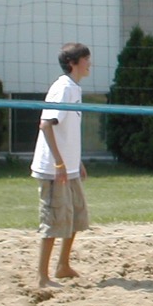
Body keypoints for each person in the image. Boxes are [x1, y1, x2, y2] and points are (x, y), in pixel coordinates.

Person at [30, 42, 92, 289]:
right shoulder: (63, 88)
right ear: (72, 63)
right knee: (54, 220)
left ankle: (63, 266)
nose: (89, 63)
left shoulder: (74, 88)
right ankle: (42, 277)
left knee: (76, 216)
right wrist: (58, 163)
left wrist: (76, 161)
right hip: (53, 169)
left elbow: (68, 132)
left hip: (70, 167)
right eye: (86, 59)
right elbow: (46, 125)